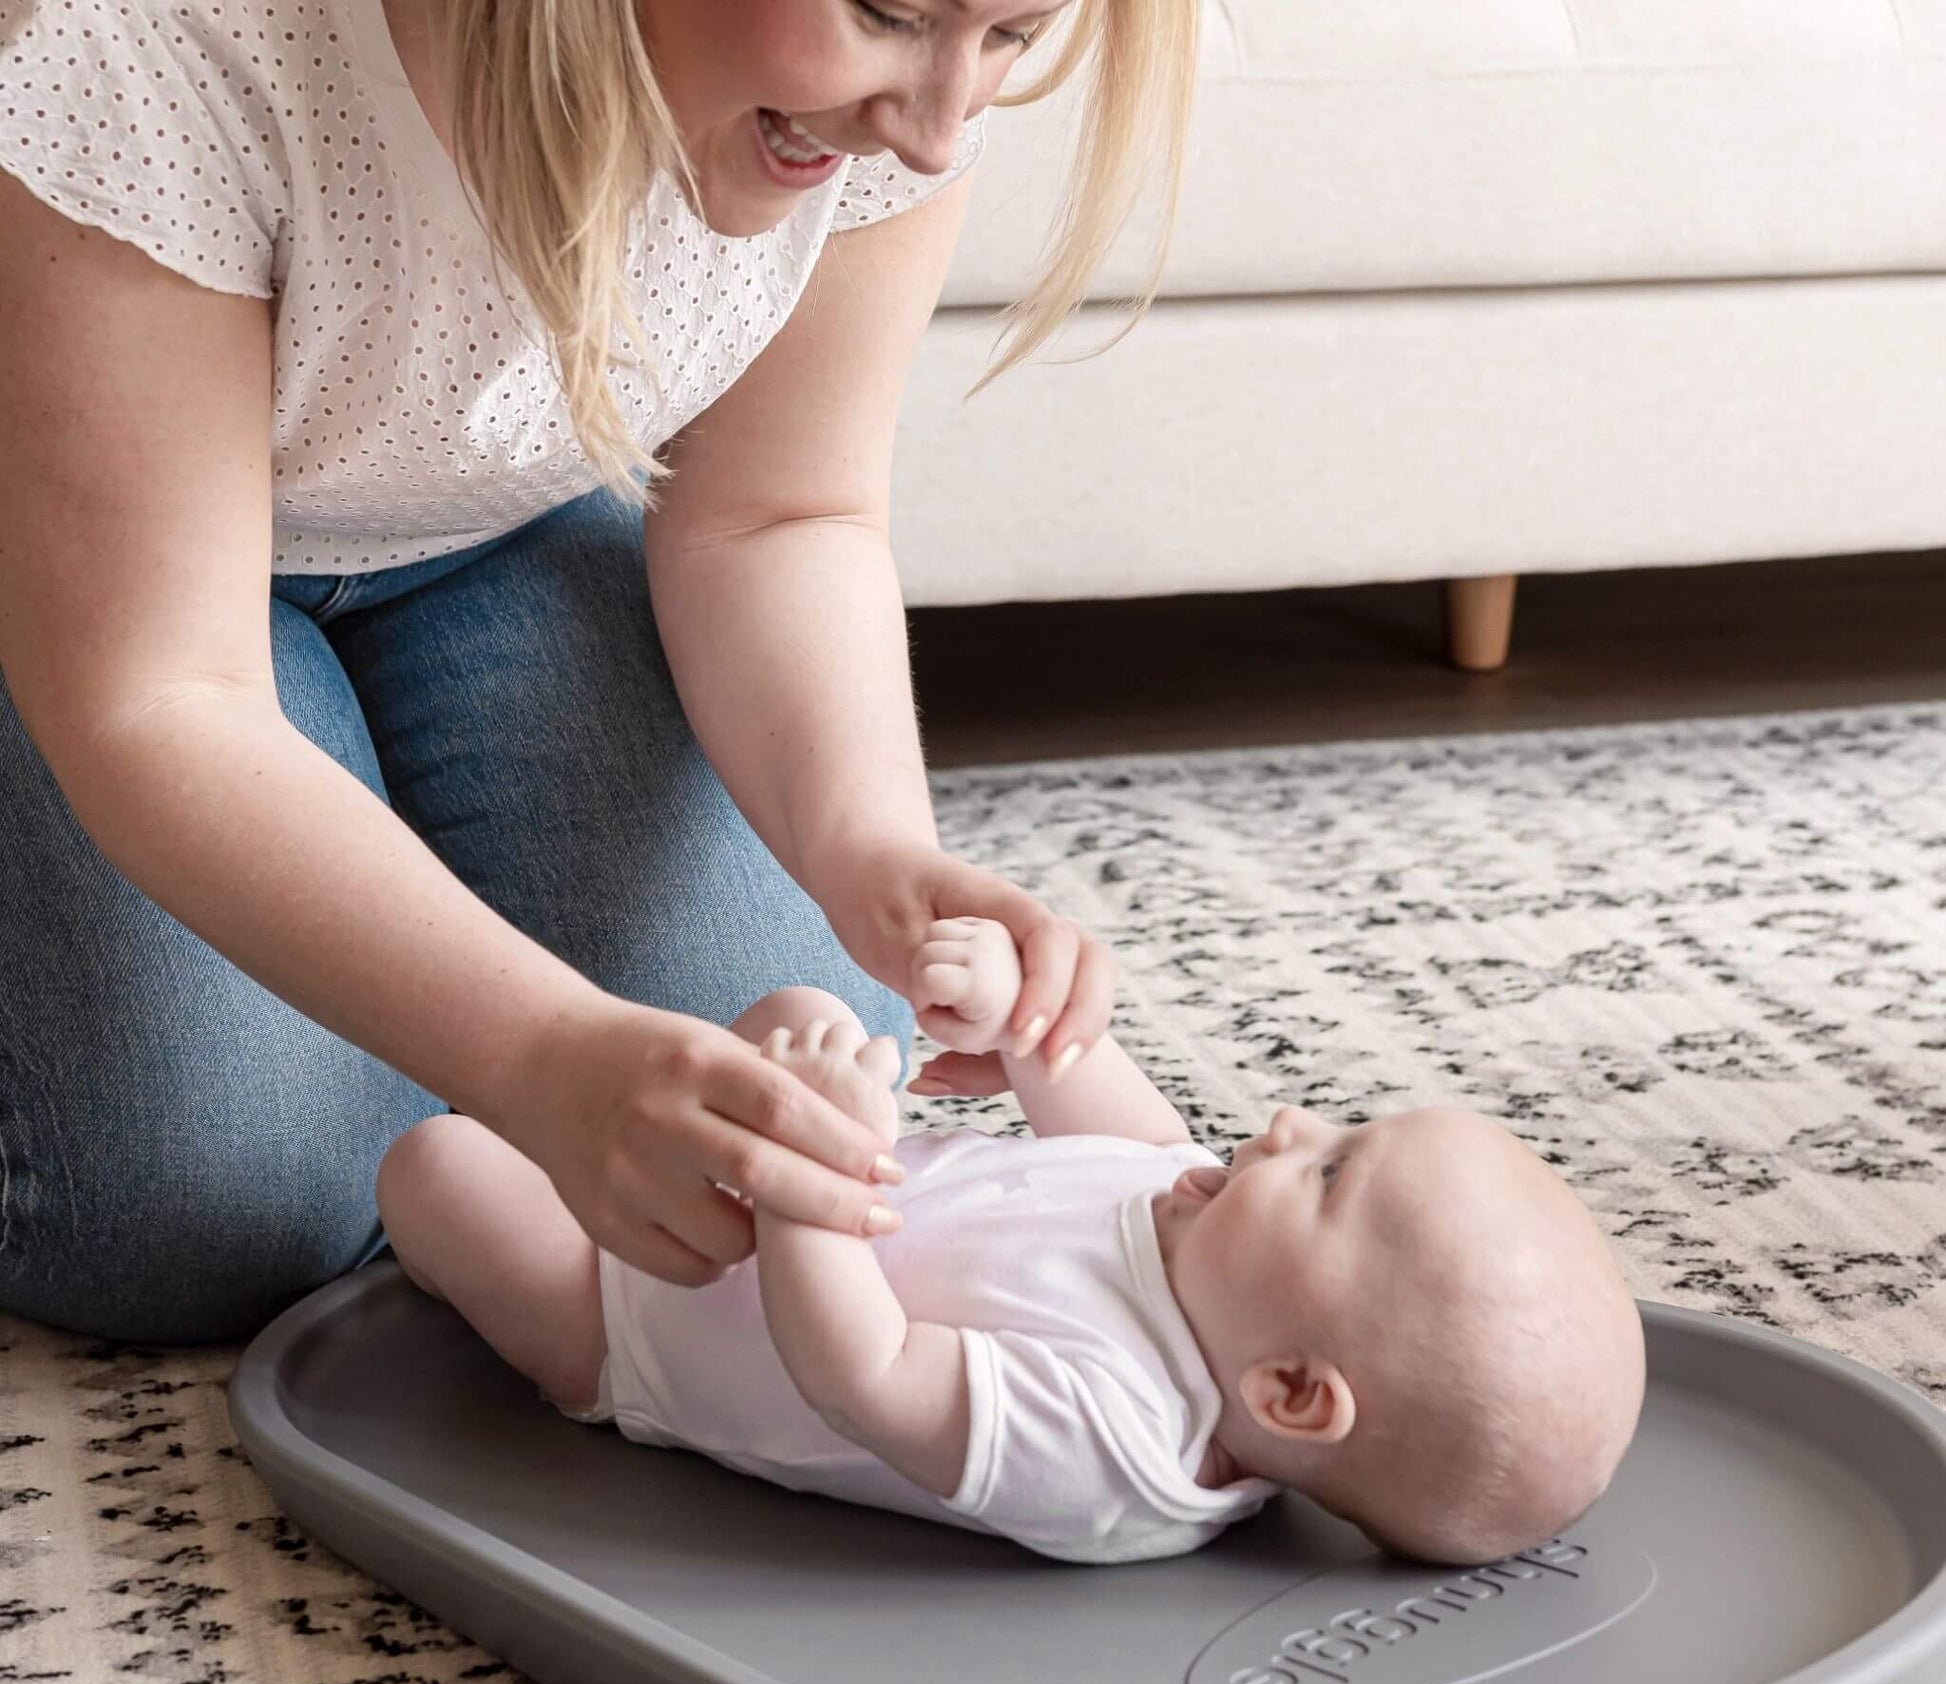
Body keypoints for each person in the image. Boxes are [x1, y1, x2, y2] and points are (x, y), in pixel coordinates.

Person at [0, 0, 1199, 1340]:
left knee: (781, 1063)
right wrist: (538, 1054)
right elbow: (165, 694)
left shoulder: (878, 114)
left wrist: (868, 846)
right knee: (215, 1211)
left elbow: (777, 513)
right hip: (75, 582)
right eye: (887, 16)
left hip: (478, 525)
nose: (933, 134)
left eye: (1012, 35)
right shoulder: (162, 46)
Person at [375, 918, 1649, 1567]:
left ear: (1293, 1391)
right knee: (803, 1005)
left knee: (430, 1169)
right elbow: (1090, 1093)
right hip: (774, 1189)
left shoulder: (1116, 1443)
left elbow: (860, 1374)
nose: (1289, 1118)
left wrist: (806, 1178)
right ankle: (555, 1072)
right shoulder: (1200, 1220)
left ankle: (503, 1164)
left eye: (1324, 1171)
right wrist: (1021, 1018)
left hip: (641, 1317)